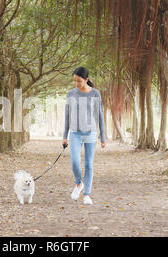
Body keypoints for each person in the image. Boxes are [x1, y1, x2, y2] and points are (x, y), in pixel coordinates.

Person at [62, 67, 106, 205]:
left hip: (91, 133)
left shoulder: (95, 94)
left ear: (86, 79)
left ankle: (87, 194)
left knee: (88, 164)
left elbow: (100, 116)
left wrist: (103, 137)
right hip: (75, 132)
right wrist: (65, 135)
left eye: (79, 81)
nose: (77, 83)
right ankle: (78, 183)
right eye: (75, 80)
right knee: (74, 161)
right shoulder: (71, 94)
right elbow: (67, 116)